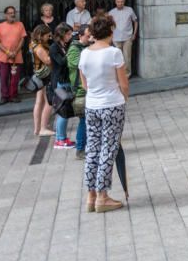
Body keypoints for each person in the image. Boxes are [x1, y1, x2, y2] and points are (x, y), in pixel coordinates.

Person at [79, 15, 130, 213]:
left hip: (92, 105)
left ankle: (90, 195)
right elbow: (123, 83)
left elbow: (84, 84)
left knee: (93, 148)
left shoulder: (85, 54)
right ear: (110, 30)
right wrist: (124, 97)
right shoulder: (113, 53)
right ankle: (102, 196)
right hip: (112, 104)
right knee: (108, 149)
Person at [50, 23, 76, 149]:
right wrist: (70, 53)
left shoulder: (65, 46)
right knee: (62, 112)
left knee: (65, 110)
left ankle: (62, 137)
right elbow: (60, 62)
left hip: (66, 81)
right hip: (59, 82)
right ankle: (60, 139)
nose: (70, 37)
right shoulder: (54, 47)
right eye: (68, 34)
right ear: (62, 34)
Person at [0, 6, 26, 105]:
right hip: (3, 57)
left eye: (13, 12)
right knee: (4, 78)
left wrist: (15, 51)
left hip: (17, 57)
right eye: (10, 13)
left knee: (14, 78)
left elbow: (22, 39)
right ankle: (4, 96)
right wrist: (7, 52)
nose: (12, 14)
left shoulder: (20, 24)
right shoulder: (0, 26)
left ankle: (13, 96)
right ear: (6, 15)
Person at [68, 24, 92, 159]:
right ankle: (80, 149)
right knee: (83, 121)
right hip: (80, 91)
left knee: (89, 121)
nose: (90, 38)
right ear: (80, 35)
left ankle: (87, 147)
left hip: (89, 89)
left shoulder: (87, 47)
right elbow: (81, 65)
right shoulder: (74, 49)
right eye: (88, 36)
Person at [29, 24, 55, 137]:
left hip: (38, 73)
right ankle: (43, 128)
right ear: (41, 35)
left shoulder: (33, 43)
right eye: (47, 36)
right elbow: (48, 60)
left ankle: (37, 128)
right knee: (49, 102)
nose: (48, 38)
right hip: (44, 75)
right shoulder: (39, 47)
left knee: (39, 101)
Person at [108, 0, 138, 76]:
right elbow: (109, 25)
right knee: (117, 58)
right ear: (115, 2)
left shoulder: (129, 10)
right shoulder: (111, 12)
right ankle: (118, 75)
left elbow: (135, 21)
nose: (120, 3)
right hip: (116, 38)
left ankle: (127, 75)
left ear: (124, 1)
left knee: (127, 57)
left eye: (121, 1)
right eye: (118, 2)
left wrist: (134, 34)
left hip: (127, 37)